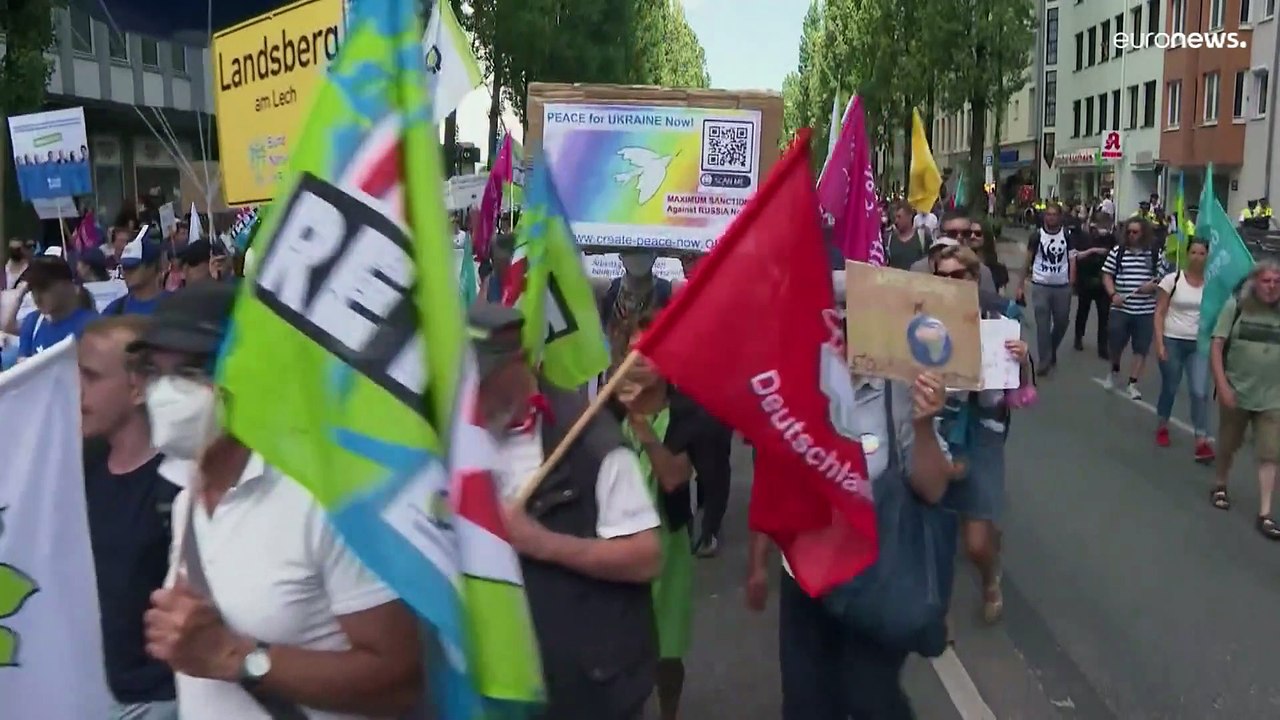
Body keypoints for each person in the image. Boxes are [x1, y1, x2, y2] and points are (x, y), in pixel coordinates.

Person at [138, 283, 424, 718]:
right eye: (154, 371)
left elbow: (401, 682)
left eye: (192, 371)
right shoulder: (186, 499)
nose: (166, 392)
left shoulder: (324, 499)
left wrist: (235, 657)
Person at [472, 302, 662, 720]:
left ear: (517, 366)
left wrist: (541, 543)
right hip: (503, 681)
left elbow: (645, 557)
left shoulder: (590, 442)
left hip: (589, 688)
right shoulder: (463, 438)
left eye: (482, 383)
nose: (471, 399)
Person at [745, 366, 953, 720]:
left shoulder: (898, 391)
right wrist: (757, 563)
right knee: (805, 705)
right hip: (806, 580)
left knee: (869, 697)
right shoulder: (791, 381)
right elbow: (772, 478)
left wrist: (923, 425)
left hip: (876, 580)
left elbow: (933, 489)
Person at [611, 314, 724, 719]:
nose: (639, 361)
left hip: (667, 544)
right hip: (615, 543)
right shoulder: (605, 409)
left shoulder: (687, 413)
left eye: (650, 352)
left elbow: (674, 477)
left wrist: (640, 426)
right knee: (618, 642)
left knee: (667, 648)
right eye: (633, 352)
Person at [79, 315, 182, 720]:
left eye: (90, 377)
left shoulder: (178, 482)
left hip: (155, 699)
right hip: (87, 688)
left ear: (138, 388)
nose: (76, 390)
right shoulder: (83, 463)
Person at [932, 246, 1030, 625]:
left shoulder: (1000, 317)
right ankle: (935, 616)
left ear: (974, 279)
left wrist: (1022, 360)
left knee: (975, 542)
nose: (949, 283)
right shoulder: (921, 317)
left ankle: (990, 578)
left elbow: (1019, 389)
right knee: (935, 531)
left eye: (957, 276)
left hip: (981, 433)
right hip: (935, 428)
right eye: (941, 276)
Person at [1208, 261, 1280, 540]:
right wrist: (1222, 384)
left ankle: (1265, 514)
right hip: (1237, 392)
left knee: (1270, 453)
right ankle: (1220, 484)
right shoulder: (1236, 307)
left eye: (1277, 281)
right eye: (1266, 281)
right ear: (1255, 283)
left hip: (1272, 397)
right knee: (1228, 444)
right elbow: (1217, 346)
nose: (1272, 286)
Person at [1153, 237, 1215, 461]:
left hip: (1198, 344)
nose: (1197, 257)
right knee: (1170, 386)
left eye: (1202, 253)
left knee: (1199, 391)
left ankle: (1201, 440)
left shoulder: (1211, 284)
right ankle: (1162, 424)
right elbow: (1160, 312)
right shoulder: (1173, 280)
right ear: (1187, 255)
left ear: (1207, 257)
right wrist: (1159, 343)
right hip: (1172, 340)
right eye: (1194, 253)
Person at [1102, 216, 1162, 399]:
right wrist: (1113, 294)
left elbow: (1162, 278)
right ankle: (1114, 370)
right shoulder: (1118, 252)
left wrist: (1153, 286)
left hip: (1145, 310)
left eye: (1135, 232)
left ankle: (1133, 383)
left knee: (1141, 348)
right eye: (1128, 232)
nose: (1131, 235)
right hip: (1121, 308)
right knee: (1115, 343)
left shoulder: (1154, 254)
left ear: (1143, 233)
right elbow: (1107, 274)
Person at [1016, 202, 1078, 376]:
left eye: (1054, 215)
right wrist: (1020, 285)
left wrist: (1071, 282)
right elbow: (1027, 260)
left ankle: (1051, 349)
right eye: (1048, 214)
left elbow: (1072, 259)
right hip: (1041, 284)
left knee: (1062, 322)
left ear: (1060, 217)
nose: (1051, 218)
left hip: (1062, 285)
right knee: (1042, 324)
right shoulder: (1037, 236)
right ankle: (1044, 361)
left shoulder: (1067, 236)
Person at [12, 254, 99, 361]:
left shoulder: (94, 326)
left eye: (44, 288)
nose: (37, 297)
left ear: (67, 285)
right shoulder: (32, 322)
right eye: (33, 289)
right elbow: (22, 366)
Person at [599, 249, 673, 367]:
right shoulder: (610, 291)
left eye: (644, 250)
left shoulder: (667, 291)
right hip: (618, 367)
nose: (637, 257)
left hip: (654, 367)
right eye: (631, 251)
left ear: (655, 255)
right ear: (621, 255)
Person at [1073, 211, 1117, 357]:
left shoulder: (1112, 239)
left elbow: (1116, 255)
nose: (1104, 228)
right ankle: (1078, 338)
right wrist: (1093, 251)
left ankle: (1102, 347)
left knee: (1104, 316)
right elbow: (1077, 256)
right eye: (1102, 224)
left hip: (1103, 281)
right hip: (1086, 279)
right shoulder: (1085, 237)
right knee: (1083, 311)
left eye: (1106, 225)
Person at [104, 236, 167, 316]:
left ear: (152, 267)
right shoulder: (115, 309)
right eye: (124, 267)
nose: (126, 272)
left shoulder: (175, 305)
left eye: (132, 267)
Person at [883, 202, 931, 271]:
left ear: (909, 216)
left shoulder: (923, 236)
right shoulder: (888, 239)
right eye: (895, 217)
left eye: (899, 217)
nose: (896, 221)